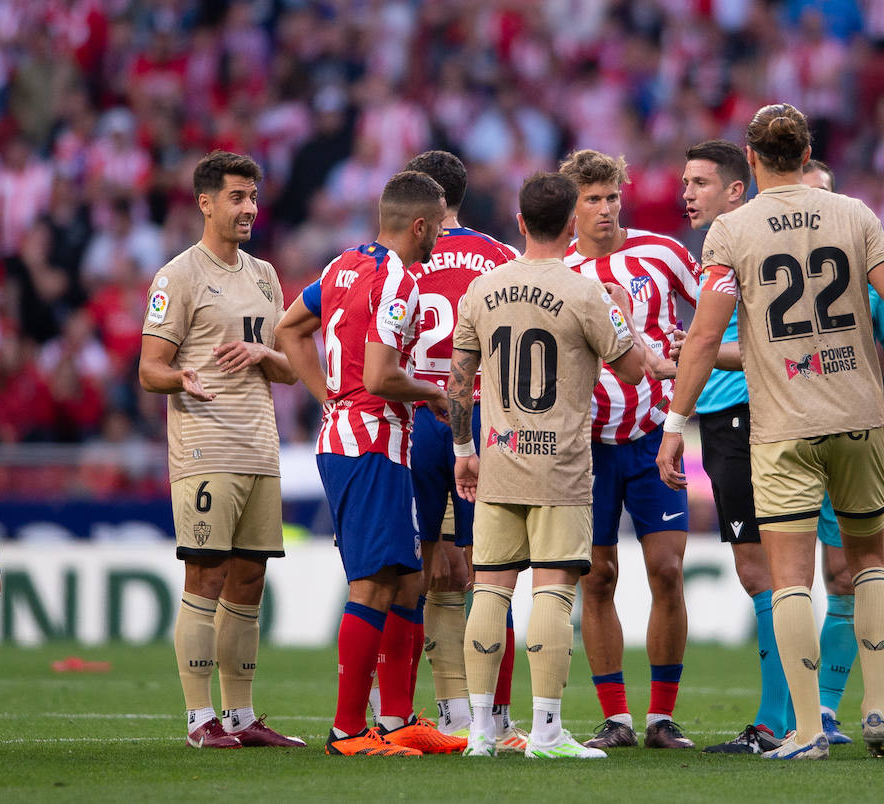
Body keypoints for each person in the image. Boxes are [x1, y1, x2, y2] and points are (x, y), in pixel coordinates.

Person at [658, 103, 884, 760]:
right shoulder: (856, 216)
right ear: (805, 150)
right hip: (856, 417)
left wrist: (676, 421)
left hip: (783, 425)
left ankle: (806, 731)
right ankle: (875, 707)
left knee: (789, 579)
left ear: (750, 162)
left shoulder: (733, 230)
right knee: (869, 565)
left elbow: (702, 336)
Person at [451, 171, 653, 758]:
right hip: (560, 467)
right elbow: (636, 368)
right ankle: (545, 732)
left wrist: (465, 450)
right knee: (553, 594)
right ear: (571, 225)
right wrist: (624, 313)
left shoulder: (481, 290)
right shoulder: (584, 291)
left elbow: (459, 385)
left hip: (499, 461)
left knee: (488, 591)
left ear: (519, 223)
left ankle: (482, 732)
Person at [274, 170, 461, 757]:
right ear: (421, 224)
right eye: (437, 229)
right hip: (369, 444)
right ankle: (349, 730)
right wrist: (432, 394)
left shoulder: (343, 265)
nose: (440, 241)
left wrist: (327, 394)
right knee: (375, 584)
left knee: (408, 581)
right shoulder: (398, 280)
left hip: (367, 440)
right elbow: (380, 376)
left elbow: (289, 328)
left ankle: (400, 720)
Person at [138, 151, 305, 750]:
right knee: (205, 576)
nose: (249, 208)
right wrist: (180, 378)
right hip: (206, 445)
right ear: (205, 202)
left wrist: (266, 356)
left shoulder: (264, 275)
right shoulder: (178, 277)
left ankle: (240, 716)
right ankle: (198, 719)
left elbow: (290, 369)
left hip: (260, 446)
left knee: (250, 580)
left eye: (253, 197)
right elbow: (149, 368)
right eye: (237, 197)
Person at [559, 149, 698, 750]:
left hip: (652, 439)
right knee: (597, 579)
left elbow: (721, 311)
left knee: (667, 570)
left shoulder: (663, 253)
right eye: (592, 199)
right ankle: (615, 717)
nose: (606, 209)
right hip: (584, 447)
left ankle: (661, 717)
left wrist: (691, 357)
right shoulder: (556, 271)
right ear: (571, 208)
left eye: (613, 196)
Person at [400, 150, 525, 749]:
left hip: (414, 415)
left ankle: (403, 712)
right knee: (488, 572)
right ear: (463, 195)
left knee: (415, 572)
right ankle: (493, 718)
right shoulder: (500, 256)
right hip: (483, 416)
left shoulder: (398, 255)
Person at [674, 138, 790, 755]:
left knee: (761, 568)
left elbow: (761, 347)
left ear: (736, 189)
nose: (685, 194)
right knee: (776, 567)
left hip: (743, 414)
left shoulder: (737, 244)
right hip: (746, 416)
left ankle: (780, 719)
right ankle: (802, 711)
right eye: (685, 182)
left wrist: (678, 371)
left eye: (699, 183)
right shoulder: (728, 246)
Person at [800, 157, 884, 746]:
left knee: (844, 574)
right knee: (785, 577)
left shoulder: (865, 273)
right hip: (782, 434)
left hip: (849, 430)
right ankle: (790, 711)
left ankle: (830, 709)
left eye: (824, 196)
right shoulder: (765, 263)